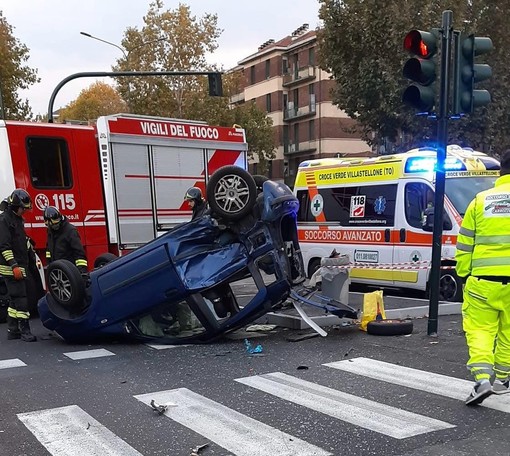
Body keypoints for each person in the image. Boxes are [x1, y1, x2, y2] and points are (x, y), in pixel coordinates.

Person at [456, 149, 510, 406]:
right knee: (509, 331)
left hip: (482, 281)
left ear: (500, 172)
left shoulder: (480, 200)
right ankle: (503, 378)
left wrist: (464, 274)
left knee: (480, 331)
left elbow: (465, 244)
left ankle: (483, 380)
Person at [0, 189, 37, 342]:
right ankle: (25, 330)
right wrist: (14, 265)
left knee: (14, 299)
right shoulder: (4, 221)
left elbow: (18, 240)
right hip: (11, 267)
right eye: (23, 208)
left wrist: (28, 244)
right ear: (15, 206)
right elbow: (4, 246)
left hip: (19, 264)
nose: (25, 211)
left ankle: (13, 330)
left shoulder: (16, 219)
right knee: (21, 298)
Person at [43, 206, 88, 274]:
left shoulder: (70, 231)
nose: (56, 226)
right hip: (57, 272)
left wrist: (82, 273)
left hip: (71, 272)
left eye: (56, 224)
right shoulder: (50, 232)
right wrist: (50, 265)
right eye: (53, 225)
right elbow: (49, 251)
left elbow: (79, 254)